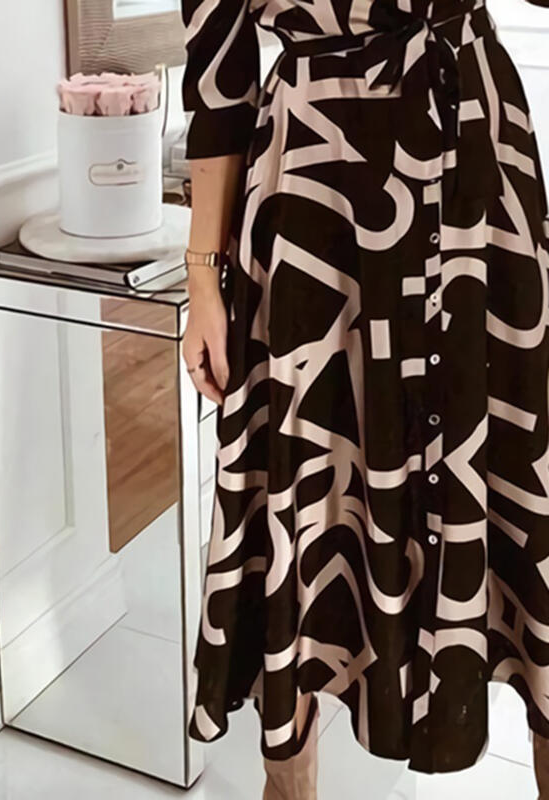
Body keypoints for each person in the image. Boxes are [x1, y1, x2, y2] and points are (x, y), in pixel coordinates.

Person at [179, 0, 549, 796]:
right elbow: (218, 80)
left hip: (472, 170)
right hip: (314, 189)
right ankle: (290, 778)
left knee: (514, 473)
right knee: (305, 488)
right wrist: (202, 272)